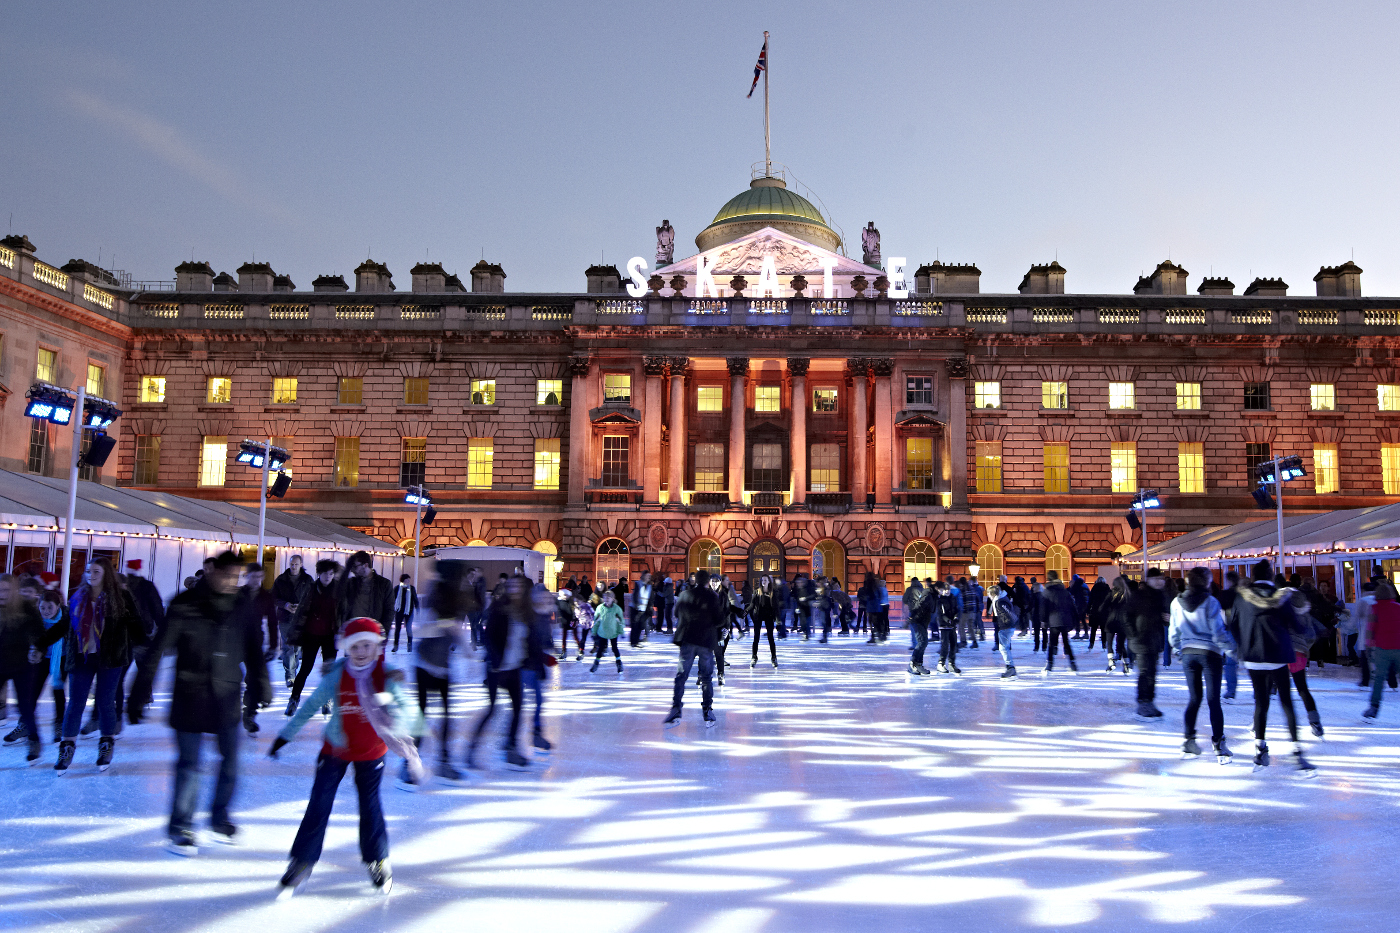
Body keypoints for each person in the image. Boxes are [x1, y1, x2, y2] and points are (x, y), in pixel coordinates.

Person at [270, 617, 424, 895]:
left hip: (372, 752)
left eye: (367, 645)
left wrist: (398, 726)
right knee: (319, 803)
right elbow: (311, 705)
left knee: (370, 806)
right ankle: (302, 861)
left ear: (377, 647)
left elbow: (407, 709)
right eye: (356, 646)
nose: (362, 651)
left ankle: (377, 859)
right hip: (335, 750)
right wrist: (286, 735)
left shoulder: (385, 679)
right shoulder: (337, 676)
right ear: (347, 649)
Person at [157, 551, 271, 854]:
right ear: (212, 572)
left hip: (226, 698)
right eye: (228, 575)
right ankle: (181, 826)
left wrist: (261, 684)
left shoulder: (242, 605)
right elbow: (160, 646)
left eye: (238, 577)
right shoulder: (185, 603)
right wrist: (142, 689)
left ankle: (219, 817)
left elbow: (253, 649)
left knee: (230, 762)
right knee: (189, 765)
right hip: (190, 695)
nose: (233, 582)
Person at [54, 558, 144, 773]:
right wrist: (40, 644)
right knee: (76, 703)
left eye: (95, 571)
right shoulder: (78, 597)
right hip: (81, 657)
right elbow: (64, 624)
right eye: (87, 571)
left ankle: (106, 744)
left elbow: (135, 624)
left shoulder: (120, 597)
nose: (90, 575)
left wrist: (146, 646)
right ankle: (66, 748)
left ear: (105, 574)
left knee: (105, 702)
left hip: (110, 659)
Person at [1230, 560, 1314, 773]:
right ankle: (1297, 752)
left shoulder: (1241, 598)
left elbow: (1233, 626)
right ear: (1270, 575)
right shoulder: (1281, 598)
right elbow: (1295, 625)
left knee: (1261, 702)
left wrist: (1244, 644)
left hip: (1253, 656)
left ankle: (1260, 748)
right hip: (1277, 655)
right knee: (1286, 701)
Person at [403, 561, 471, 787]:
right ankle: (409, 764)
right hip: (424, 664)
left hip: (443, 665)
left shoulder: (456, 598)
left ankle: (444, 761)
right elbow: (422, 628)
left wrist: (463, 643)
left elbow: (456, 629)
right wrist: (447, 626)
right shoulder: (434, 592)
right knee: (421, 715)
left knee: (446, 714)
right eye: (461, 576)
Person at [466, 575, 537, 770]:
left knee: (518, 709)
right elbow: (488, 636)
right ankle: (470, 750)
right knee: (492, 710)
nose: (515, 589)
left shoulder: (526, 612)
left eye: (519, 586)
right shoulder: (499, 607)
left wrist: (532, 661)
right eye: (512, 585)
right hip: (496, 667)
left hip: (514, 668)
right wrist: (495, 659)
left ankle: (510, 748)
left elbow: (529, 640)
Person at [1169, 567, 1238, 762]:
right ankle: (1218, 744)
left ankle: (1189, 740)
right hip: (1210, 654)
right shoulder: (1210, 602)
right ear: (1206, 582)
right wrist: (1232, 650)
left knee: (1194, 698)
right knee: (1213, 700)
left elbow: (1173, 632)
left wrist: (1178, 649)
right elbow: (1217, 632)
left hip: (1189, 654)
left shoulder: (1176, 602)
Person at [0, 574, 47, 762]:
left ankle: (34, 741)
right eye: (0, 590)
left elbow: (40, 635)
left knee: (25, 706)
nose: (2, 594)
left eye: (6, 590)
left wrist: (38, 650)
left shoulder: (27, 608)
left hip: (22, 665)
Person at [286, 560, 341, 717]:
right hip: (312, 634)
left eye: (331, 574)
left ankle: (326, 700)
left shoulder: (338, 590)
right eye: (325, 573)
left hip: (330, 636)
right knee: (305, 668)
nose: (328, 577)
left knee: (329, 670)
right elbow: (301, 611)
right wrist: (294, 633)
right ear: (319, 573)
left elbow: (343, 611)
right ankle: (294, 699)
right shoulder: (311, 588)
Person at [666, 568, 720, 726]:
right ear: (708, 581)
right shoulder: (713, 596)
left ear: (695, 580)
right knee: (706, 678)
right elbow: (719, 618)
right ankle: (707, 710)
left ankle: (676, 708)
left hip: (688, 640)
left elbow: (676, 613)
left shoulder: (684, 595)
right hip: (705, 642)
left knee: (681, 676)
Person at [119, 559, 166, 727]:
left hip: (127, 635)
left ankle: (128, 703)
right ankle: (141, 700)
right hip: (142, 633)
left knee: (123, 671)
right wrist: (162, 629)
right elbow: (157, 608)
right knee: (143, 670)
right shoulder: (147, 586)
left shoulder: (124, 585)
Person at [1125, 569, 1170, 717]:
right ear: (1149, 580)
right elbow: (1126, 616)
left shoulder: (1161, 596)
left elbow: (1163, 618)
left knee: (1152, 673)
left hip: (1154, 639)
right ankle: (1143, 702)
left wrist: (1166, 619)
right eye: (1156, 578)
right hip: (1141, 640)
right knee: (1145, 672)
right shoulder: (1139, 595)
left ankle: (1149, 701)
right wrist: (1133, 635)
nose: (1160, 581)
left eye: (1161, 578)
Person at [239, 562, 278, 735]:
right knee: (227, 678)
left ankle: (249, 714)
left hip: (255, 642)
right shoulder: (238, 595)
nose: (257, 580)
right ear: (246, 576)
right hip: (236, 641)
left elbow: (272, 621)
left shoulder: (266, 596)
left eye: (260, 577)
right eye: (253, 577)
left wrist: (273, 646)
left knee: (253, 680)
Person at [1286, 589, 1328, 738]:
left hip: (1283, 653)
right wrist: (1304, 648)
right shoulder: (1305, 615)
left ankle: (1256, 725)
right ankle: (1315, 722)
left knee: (1272, 690)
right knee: (1303, 689)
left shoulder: (1282, 611)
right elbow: (1310, 635)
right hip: (1299, 654)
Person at [273, 555, 313, 687]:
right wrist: (285, 605)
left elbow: (313, 597)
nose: (294, 567)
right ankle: (290, 676)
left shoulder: (307, 580)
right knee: (288, 647)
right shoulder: (281, 580)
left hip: (301, 619)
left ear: (301, 564)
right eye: (292, 564)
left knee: (297, 648)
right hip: (285, 618)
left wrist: (300, 607)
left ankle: (293, 672)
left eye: (296, 564)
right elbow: (273, 597)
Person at [1363, 580, 1400, 720]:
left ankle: (1374, 707)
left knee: (1379, 678)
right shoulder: (1398, 607)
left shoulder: (1375, 608)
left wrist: (1368, 646)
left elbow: (1370, 629)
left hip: (1382, 648)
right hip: (1399, 646)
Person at [37, 587, 69, 743]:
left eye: (50, 607)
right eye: (42, 607)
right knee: (32, 690)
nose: (46, 611)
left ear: (58, 606)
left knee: (58, 690)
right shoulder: (37, 620)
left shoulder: (66, 618)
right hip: (42, 658)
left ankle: (59, 723)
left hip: (61, 658)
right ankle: (24, 724)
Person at [340, 552, 394, 636]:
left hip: (373, 631)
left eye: (355, 566)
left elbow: (389, 611)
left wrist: (384, 632)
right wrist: (346, 570)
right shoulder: (351, 583)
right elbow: (338, 595)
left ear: (365, 565)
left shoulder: (383, 584)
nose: (352, 570)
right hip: (353, 631)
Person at [1041, 570, 1078, 675]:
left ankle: (1049, 664)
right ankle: (1072, 663)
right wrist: (1075, 618)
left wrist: (1043, 620)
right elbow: (1072, 605)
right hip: (1065, 620)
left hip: (1054, 620)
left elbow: (1044, 607)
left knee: (1052, 643)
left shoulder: (1047, 591)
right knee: (1066, 642)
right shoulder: (1064, 591)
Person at [989, 576, 1019, 678]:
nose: (988, 596)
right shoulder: (1001, 598)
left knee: (1003, 648)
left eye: (989, 594)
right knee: (1004, 647)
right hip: (1006, 626)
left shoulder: (1000, 601)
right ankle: (1010, 667)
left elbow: (1008, 613)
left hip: (1006, 627)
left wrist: (1005, 624)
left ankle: (1010, 668)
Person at [1217, 571, 1241, 698]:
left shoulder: (1225, 595)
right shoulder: (1243, 594)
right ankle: (1258, 690)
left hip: (1230, 629)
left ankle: (1231, 690)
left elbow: (1220, 612)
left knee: (1231, 661)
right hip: (1245, 630)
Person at [590, 589, 625, 672]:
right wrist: (593, 632)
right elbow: (596, 621)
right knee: (601, 648)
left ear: (613, 599)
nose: (606, 599)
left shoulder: (617, 609)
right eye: (605, 597)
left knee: (614, 648)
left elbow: (620, 621)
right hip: (603, 632)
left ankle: (619, 663)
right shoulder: (600, 608)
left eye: (609, 597)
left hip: (613, 632)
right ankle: (596, 663)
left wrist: (621, 632)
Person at [749, 575, 780, 668]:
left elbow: (776, 607)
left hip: (769, 616)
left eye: (765, 580)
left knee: (770, 637)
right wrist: (746, 612)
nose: (764, 582)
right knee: (756, 637)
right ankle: (754, 657)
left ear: (769, 581)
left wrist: (778, 620)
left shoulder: (773, 593)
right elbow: (752, 604)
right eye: (762, 580)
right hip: (758, 616)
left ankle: (774, 657)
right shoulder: (757, 592)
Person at [1104, 576, 1133, 674]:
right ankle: (1126, 665)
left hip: (1111, 621)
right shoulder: (1128, 595)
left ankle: (1111, 663)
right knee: (1121, 644)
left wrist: (1106, 613)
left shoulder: (1111, 594)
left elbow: (1102, 607)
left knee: (1109, 643)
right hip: (1123, 622)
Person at [903, 577, 932, 675]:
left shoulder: (910, 589)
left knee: (917, 635)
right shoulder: (922, 590)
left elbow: (904, 600)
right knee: (922, 640)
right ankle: (917, 663)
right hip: (921, 615)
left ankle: (915, 659)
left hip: (914, 612)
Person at [935, 581, 961, 673]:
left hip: (952, 625)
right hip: (944, 625)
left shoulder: (953, 598)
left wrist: (956, 617)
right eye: (945, 590)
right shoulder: (940, 600)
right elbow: (940, 613)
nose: (947, 591)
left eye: (948, 589)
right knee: (945, 645)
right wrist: (947, 620)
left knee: (954, 645)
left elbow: (956, 609)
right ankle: (941, 663)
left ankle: (951, 663)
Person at [391, 574, 418, 653]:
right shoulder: (397, 588)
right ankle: (395, 646)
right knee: (397, 629)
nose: (408, 581)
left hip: (409, 611)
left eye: (409, 580)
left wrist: (417, 607)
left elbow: (415, 599)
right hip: (399, 611)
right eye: (407, 580)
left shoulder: (412, 588)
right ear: (403, 580)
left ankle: (409, 645)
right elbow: (392, 599)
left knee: (408, 628)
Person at [1087, 575, 1112, 650]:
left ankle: (1091, 643)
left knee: (1093, 629)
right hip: (1104, 611)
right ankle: (1104, 643)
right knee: (1103, 628)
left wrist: (1088, 610)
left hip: (1095, 610)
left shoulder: (1094, 588)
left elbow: (1090, 600)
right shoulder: (1107, 589)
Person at [629, 571, 652, 648]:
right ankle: (633, 642)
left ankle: (636, 640)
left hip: (643, 609)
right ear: (643, 576)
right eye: (647, 576)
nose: (648, 578)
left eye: (649, 576)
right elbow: (635, 596)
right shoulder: (638, 584)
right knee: (635, 625)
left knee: (640, 626)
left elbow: (649, 598)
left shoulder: (649, 586)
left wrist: (649, 607)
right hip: (635, 608)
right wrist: (636, 606)